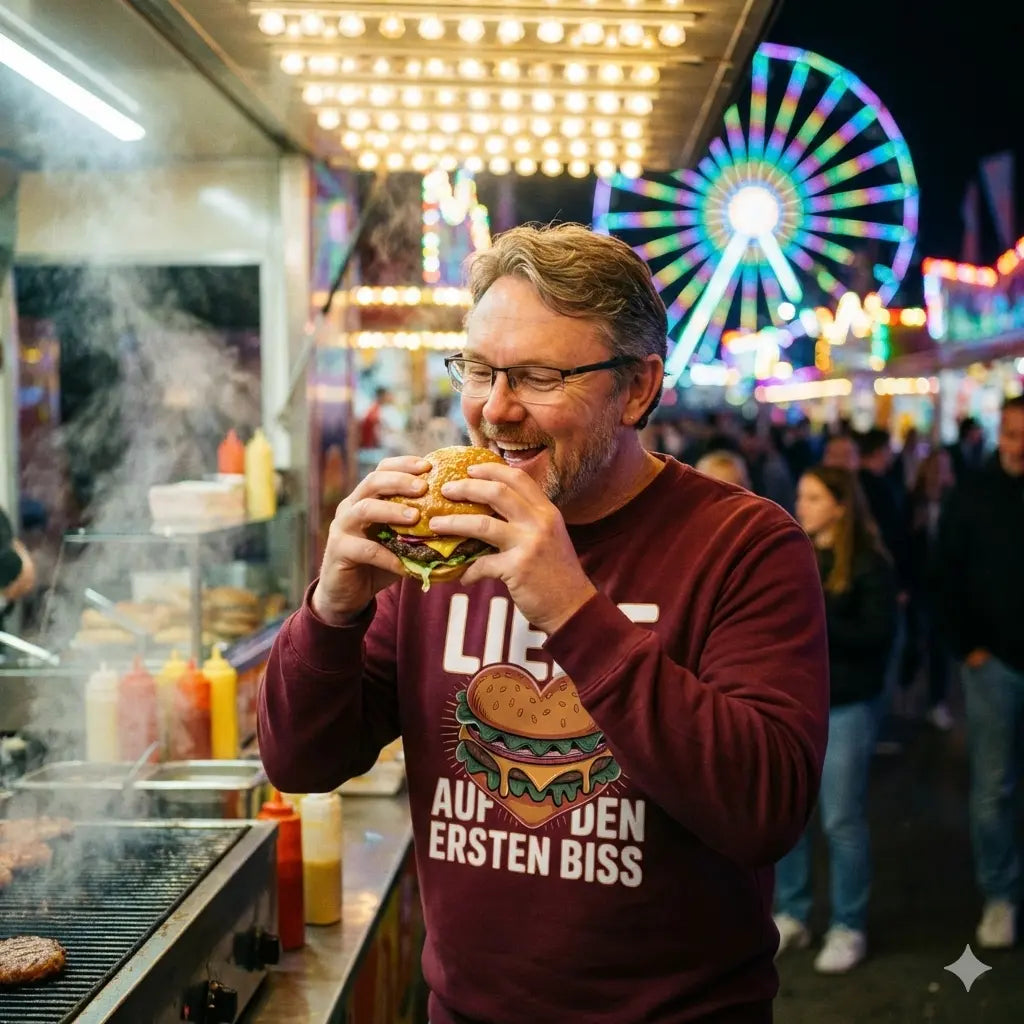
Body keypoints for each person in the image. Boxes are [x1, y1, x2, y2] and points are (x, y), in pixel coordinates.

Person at [259, 223, 829, 1023]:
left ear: (637, 388)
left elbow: (765, 808)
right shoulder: (440, 540)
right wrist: (333, 606)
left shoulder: (745, 544)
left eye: (537, 376)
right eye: (481, 370)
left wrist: (570, 606)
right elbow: (300, 760)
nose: (496, 410)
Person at [774, 466, 897, 973]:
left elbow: (877, 636)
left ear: (841, 505)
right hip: (795, 701)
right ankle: (792, 911)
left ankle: (849, 923)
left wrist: (816, 614)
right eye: (802, 495)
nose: (803, 505)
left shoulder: (868, 563)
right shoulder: (791, 552)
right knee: (789, 815)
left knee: (841, 818)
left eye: (815, 497)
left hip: (846, 703)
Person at [936, 394, 1024, 949]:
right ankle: (1000, 895)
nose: (1020, 446)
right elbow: (944, 574)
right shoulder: (972, 496)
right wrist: (968, 647)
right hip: (992, 663)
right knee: (994, 786)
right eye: (1014, 434)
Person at [900, 450, 955, 729]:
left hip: (942, 588)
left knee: (938, 645)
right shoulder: (913, 502)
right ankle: (908, 692)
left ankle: (936, 701)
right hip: (918, 585)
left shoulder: (953, 502)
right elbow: (903, 546)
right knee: (914, 640)